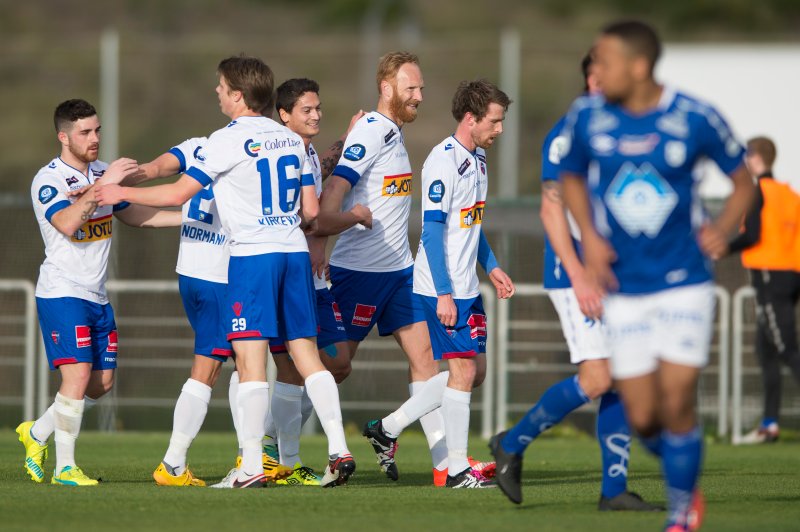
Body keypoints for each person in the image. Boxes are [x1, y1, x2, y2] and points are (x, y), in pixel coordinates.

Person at [96, 56, 355, 488]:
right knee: (306, 354)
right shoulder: (290, 139)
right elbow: (310, 211)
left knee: (250, 362)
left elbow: (179, 190)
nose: (216, 92)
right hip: (292, 251)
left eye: (220, 86)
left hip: (253, 258)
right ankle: (338, 449)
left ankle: (251, 465)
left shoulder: (224, 139)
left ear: (237, 94)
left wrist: (117, 190)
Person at [559, 21, 754, 531]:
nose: (595, 72)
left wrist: (723, 225)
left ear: (639, 66)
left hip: (685, 282)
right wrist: (591, 238)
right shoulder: (588, 116)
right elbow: (570, 177)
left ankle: (680, 513)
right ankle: (685, 481)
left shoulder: (693, 116)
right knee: (643, 416)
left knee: (677, 399)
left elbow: (743, 180)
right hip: (624, 289)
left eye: (604, 62)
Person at [489, 52, 662, 511]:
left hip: (613, 276)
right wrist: (581, 274)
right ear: (590, 80)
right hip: (574, 275)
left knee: (619, 377)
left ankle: (614, 490)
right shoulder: (569, 134)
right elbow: (552, 210)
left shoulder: (623, 133)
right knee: (599, 375)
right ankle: (513, 442)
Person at [17, 98, 181, 486]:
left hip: (96, 295)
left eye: (97, 130)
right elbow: (69, 222)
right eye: (85, 132)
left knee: (101, 384)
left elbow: (135, 214)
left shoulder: (103, 172)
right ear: (63, 136)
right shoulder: (49, 179)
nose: (94, 138)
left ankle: (36, 433)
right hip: (62, 292)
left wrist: (191, 220)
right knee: (76, 377)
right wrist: (102, 188)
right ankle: (65, 469)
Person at [363, 79, 515, 489]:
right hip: (439, 288)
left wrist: (493, 266)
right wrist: (444, 294)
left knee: (474, 372)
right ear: (471, 118)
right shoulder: (442, 162)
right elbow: (431, 233)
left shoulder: (479, 160)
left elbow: (472, 223)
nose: (499, 129)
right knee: (462, 371)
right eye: (495, 121)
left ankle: (388, 428)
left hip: (466, 286)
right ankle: (455, 469)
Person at [316, 52, 450, 485]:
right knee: (334, 366)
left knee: (427, 359)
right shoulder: (374, 130)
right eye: (411, 88)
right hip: (358, 273)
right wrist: (325, 230)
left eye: (421, 88)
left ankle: (446, 467)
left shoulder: (391, 132)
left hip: (399, 273)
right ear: (387, 88)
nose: (419, 96)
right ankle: (275, 442)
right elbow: (334, 189)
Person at [262, 77, 368, 486]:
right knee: (286, 368)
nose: (316, 114)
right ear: (284, 114)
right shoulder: (275, 147)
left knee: (336, 361)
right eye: (307, 109)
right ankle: (275, 454)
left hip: (311, 278)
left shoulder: (303, 150)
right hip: (283, 271)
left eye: (318, 108)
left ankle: (274, 442)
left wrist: (344, 138)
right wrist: (354, 217)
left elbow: (319, 173)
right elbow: (314, 217)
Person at [727, 136, 800, 444]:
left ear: (755, 159)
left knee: (787, 349)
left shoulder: (757, 193)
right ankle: (769, 424)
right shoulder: (790, 194)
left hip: (771, 278)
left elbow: (752, 235)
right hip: (791, 276)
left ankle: (769, 423)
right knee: (765, 349)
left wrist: (720, 247)